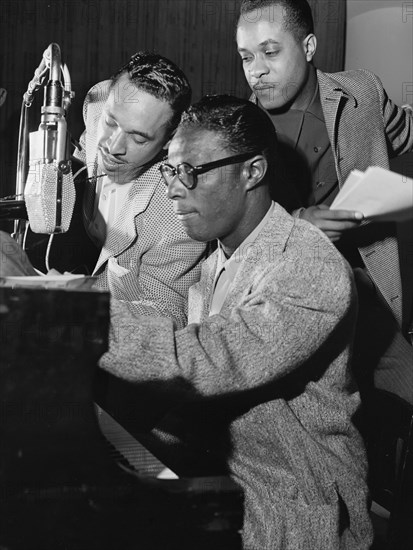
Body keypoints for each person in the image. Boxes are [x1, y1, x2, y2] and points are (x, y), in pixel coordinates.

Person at [99, 95, 373, 549]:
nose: (172, 189)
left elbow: (209, 361)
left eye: (191, 172)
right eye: (171, 170)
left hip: (297, 497)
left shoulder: (310, 266)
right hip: (231, 470)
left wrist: (68, 320)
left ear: (252, 172)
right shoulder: (218, 255)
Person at [236, 0, 413, 403]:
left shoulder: (361, 93)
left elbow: (403, 134)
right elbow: (231, 241)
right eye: (246, 56)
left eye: (270, 51)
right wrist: (299, 224)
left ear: (309, 46)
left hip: (369, 304)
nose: (256, 70)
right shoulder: (237, 130)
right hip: (287, 312)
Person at [72, 52, 207, 326]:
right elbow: (86, 147)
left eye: (137, 138)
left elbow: (169, 316)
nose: (113, 146)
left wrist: (67, 303)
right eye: (111, 123)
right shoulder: (98, 103)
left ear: (169, 141)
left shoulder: (179, 214)